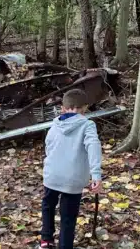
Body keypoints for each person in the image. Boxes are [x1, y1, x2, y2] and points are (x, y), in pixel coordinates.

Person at [40, 89, 102, 249]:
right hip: (73, 180)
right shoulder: (88, 125)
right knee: (68, 217)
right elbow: (93, 146)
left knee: (48, 206)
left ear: (63, 108)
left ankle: (46, 240)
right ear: (85, 108)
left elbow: (49, 145)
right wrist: (96, 174)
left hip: (52, 175)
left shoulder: (55, 124)